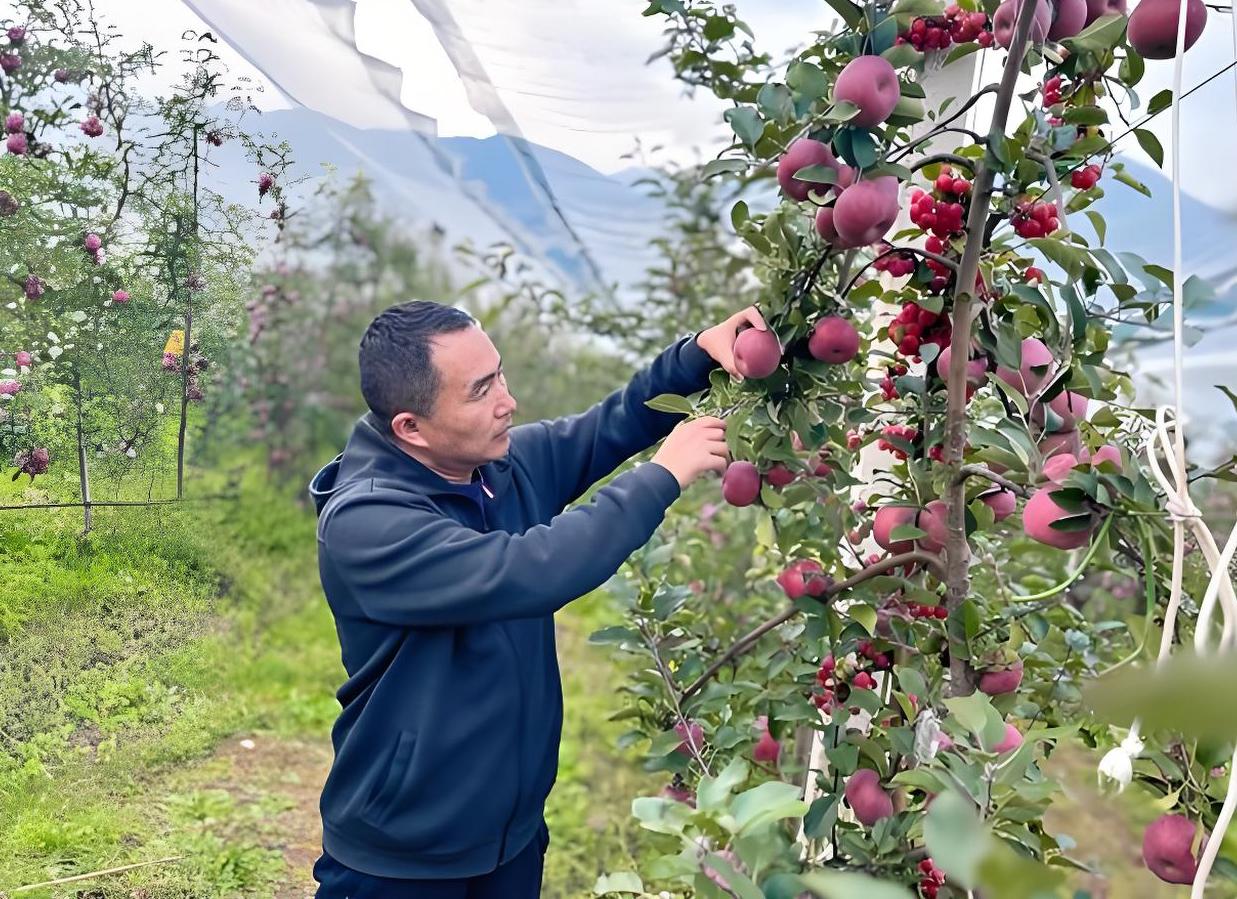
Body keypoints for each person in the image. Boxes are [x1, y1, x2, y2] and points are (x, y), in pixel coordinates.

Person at [307, 299, 768, 897]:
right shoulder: (367, 524)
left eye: (499, 374)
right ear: (410, 427)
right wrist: (662, 477)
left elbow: (612, 424)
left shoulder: (493, 466)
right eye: (480, 391)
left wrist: (695, 356)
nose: (508, 401)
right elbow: (530, 569)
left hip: (510, 839)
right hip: (401, 859)